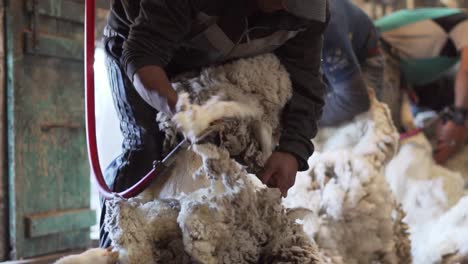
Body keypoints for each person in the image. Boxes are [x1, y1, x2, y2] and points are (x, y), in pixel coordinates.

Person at [100, 0, 329, 248]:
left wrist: (292, 150)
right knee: (146, 147)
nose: (286, 9)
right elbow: (143, 54)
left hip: (210, 53)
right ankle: (113, 246)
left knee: (232, 152)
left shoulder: (309, 11)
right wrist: (182, 111)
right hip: (140, 49)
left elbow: (306, 81)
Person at [375, 8, 468, 164]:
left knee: (395, 136)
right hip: (379, 51)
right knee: (386, 138)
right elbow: (466, 70)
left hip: (395, 66)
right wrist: (458, 119)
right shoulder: (465, 22)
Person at [320, 0, 384, 126]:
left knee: (366, 126)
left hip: (364, 61)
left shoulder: (324, 26)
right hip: (328, 60)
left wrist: (295, 121)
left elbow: (355, 99)